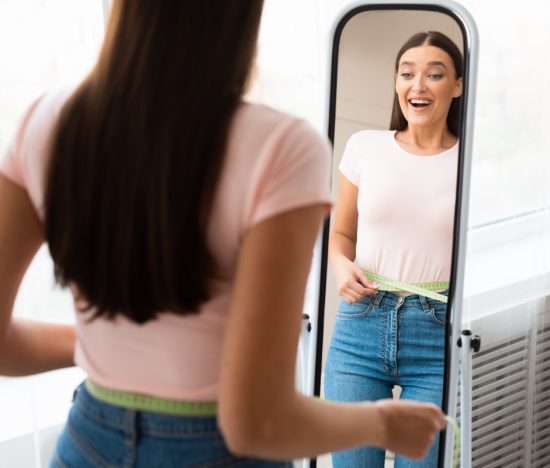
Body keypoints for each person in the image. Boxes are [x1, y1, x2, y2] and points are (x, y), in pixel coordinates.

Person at [0, 3, 446, 466]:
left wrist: (112, 342)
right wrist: (384, 423)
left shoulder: (45, 121)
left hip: (87, 443)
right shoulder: (280, 146)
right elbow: (257, 423)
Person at [324, 31, 463, 468]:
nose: (417, 85)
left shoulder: (472, 162)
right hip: (359, 331)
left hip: (437, 333)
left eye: (434, 75)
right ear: (396, 83)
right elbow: (340, 233)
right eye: (407, 74)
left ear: (457, 86)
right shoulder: (365, 147)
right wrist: (340, 266)